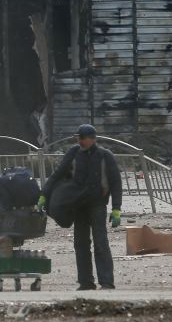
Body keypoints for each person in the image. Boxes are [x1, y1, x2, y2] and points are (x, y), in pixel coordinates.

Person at [40, 124, 122, 290]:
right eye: (78, 138)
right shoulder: (74, 153)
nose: (80, 141)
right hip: (78, 205)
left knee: (101, 242)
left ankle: (106, 282)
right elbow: (57, 175)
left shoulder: (106, 156)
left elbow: (116, 183)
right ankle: (86, 282)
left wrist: (116, 209)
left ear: (93, 139)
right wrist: (44, 195)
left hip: (98, 204)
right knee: (81, 243)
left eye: (83, 138)